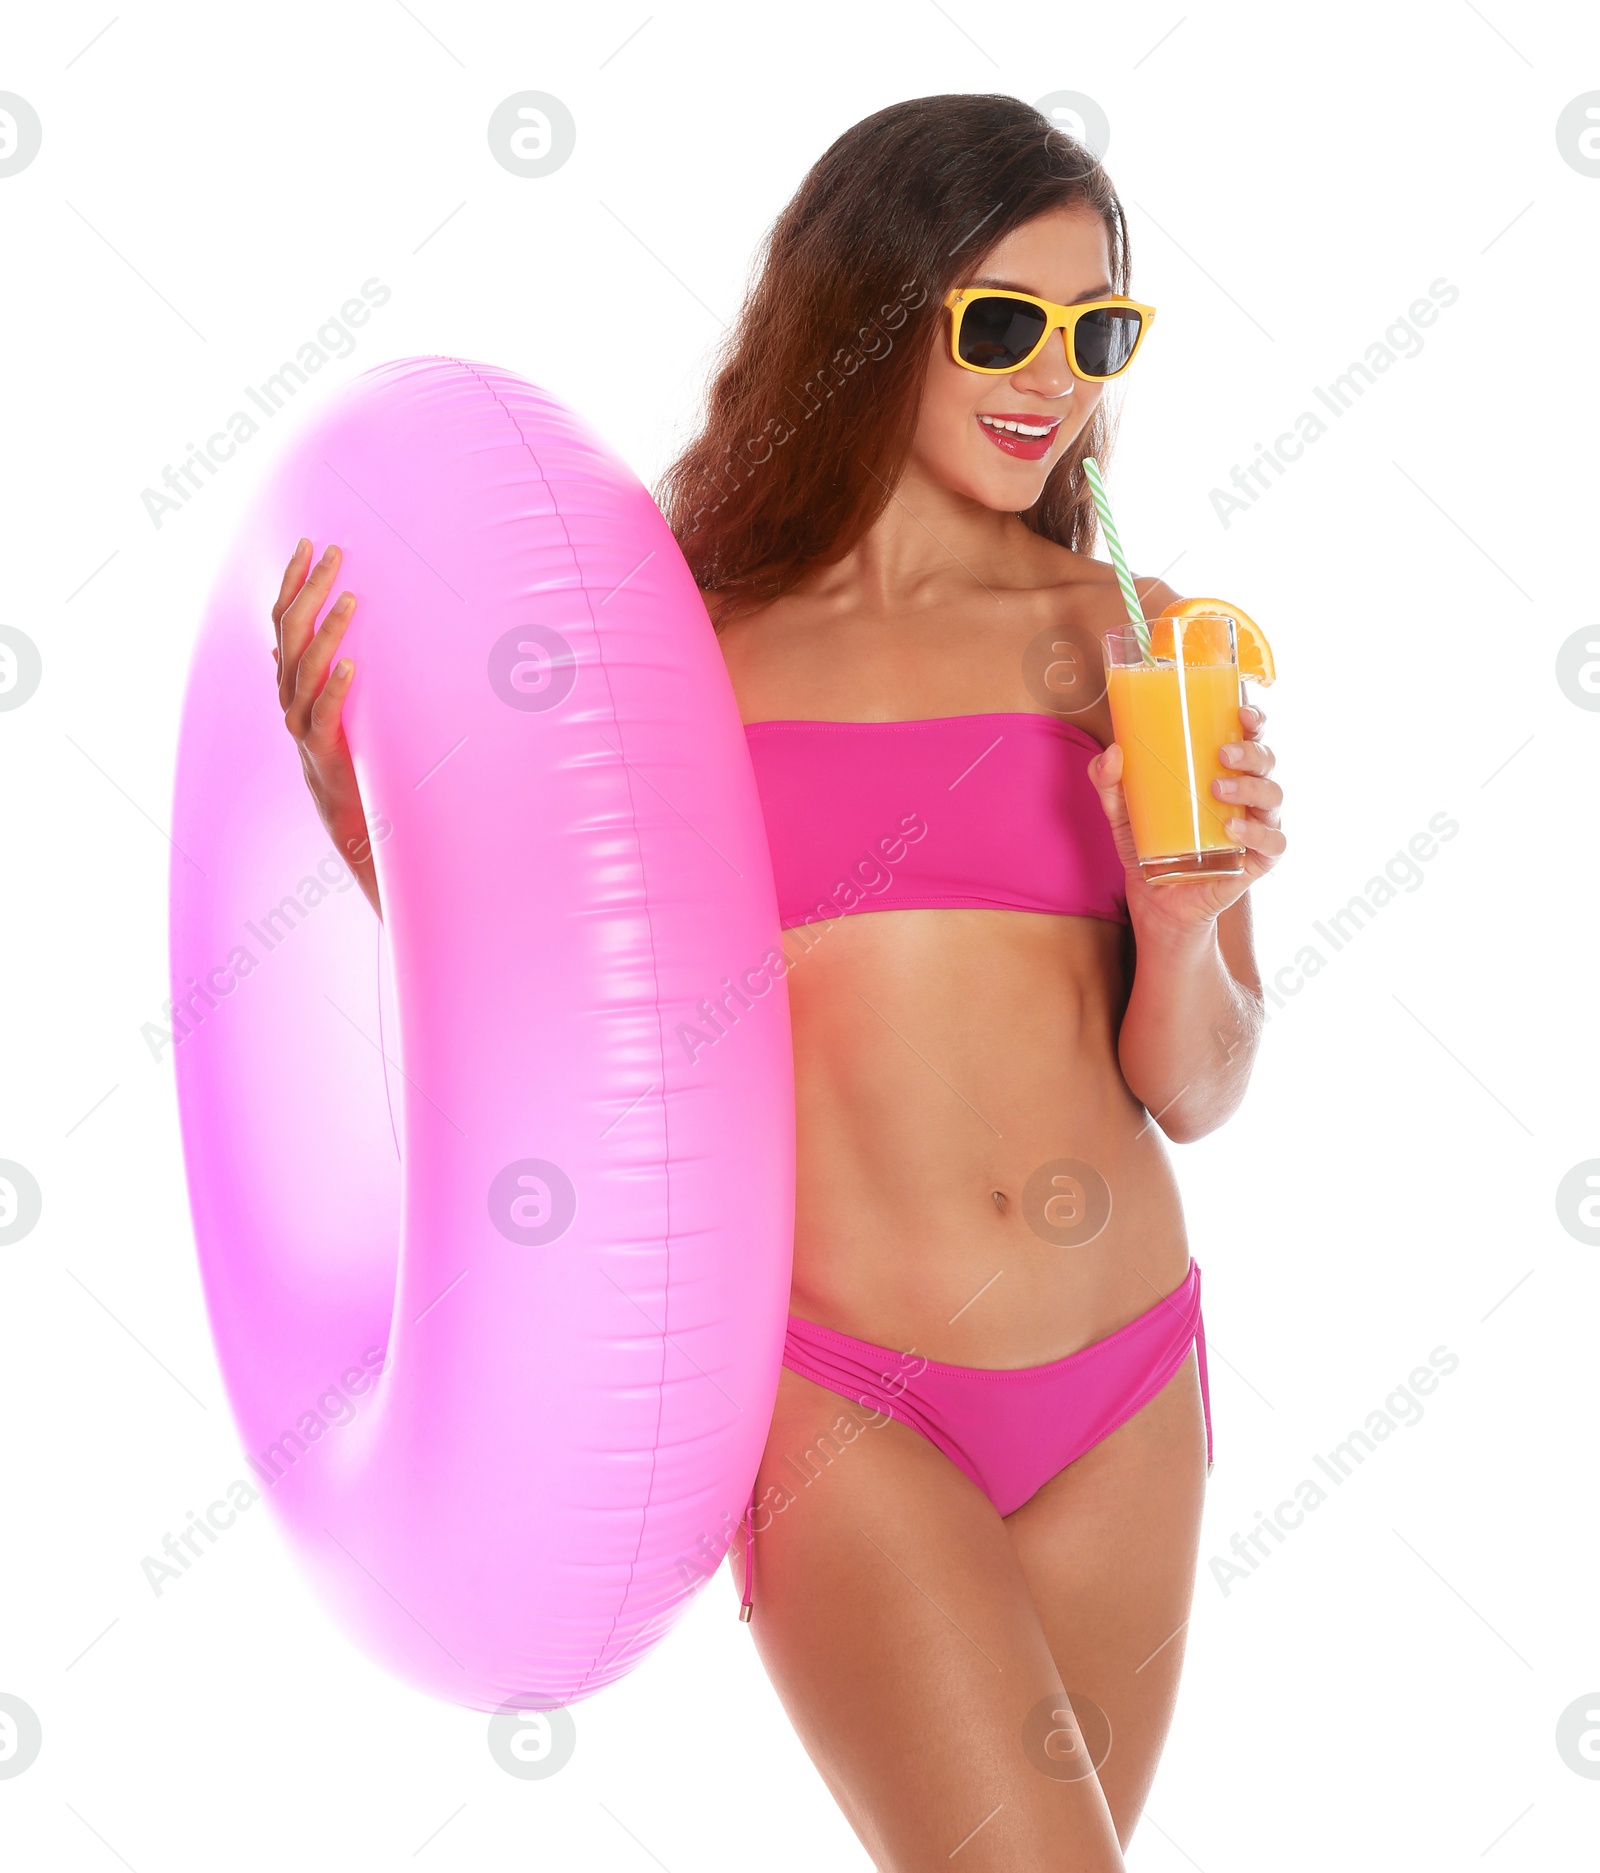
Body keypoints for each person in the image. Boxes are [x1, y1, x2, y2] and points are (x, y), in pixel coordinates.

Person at [272, 93, 1285, 1873]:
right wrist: (367, 824)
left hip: (1127, 1380)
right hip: (842, 1399)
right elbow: (547, 1013)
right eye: (1001, 322)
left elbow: (1197, 1085)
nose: (1054, 376)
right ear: (875, 312)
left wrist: (1187, 914)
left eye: (1094, 329)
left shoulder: (1129, 634)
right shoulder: (685, 646)